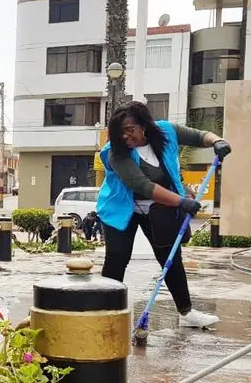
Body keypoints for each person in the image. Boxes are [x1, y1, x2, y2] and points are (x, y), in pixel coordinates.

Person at [97, 101, 231, 328]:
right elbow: (142, 185)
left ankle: (186, 313)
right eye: (120, 133)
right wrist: (181, 202)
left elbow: (199, 136)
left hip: (158, 209)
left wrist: (217, 141)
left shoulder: (165, 131)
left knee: (170, 258)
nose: (126, 137)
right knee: (117, 258)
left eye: (130, 130)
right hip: (122, 208)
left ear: (143, 125)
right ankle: (104, 312)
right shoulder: (115, 152)